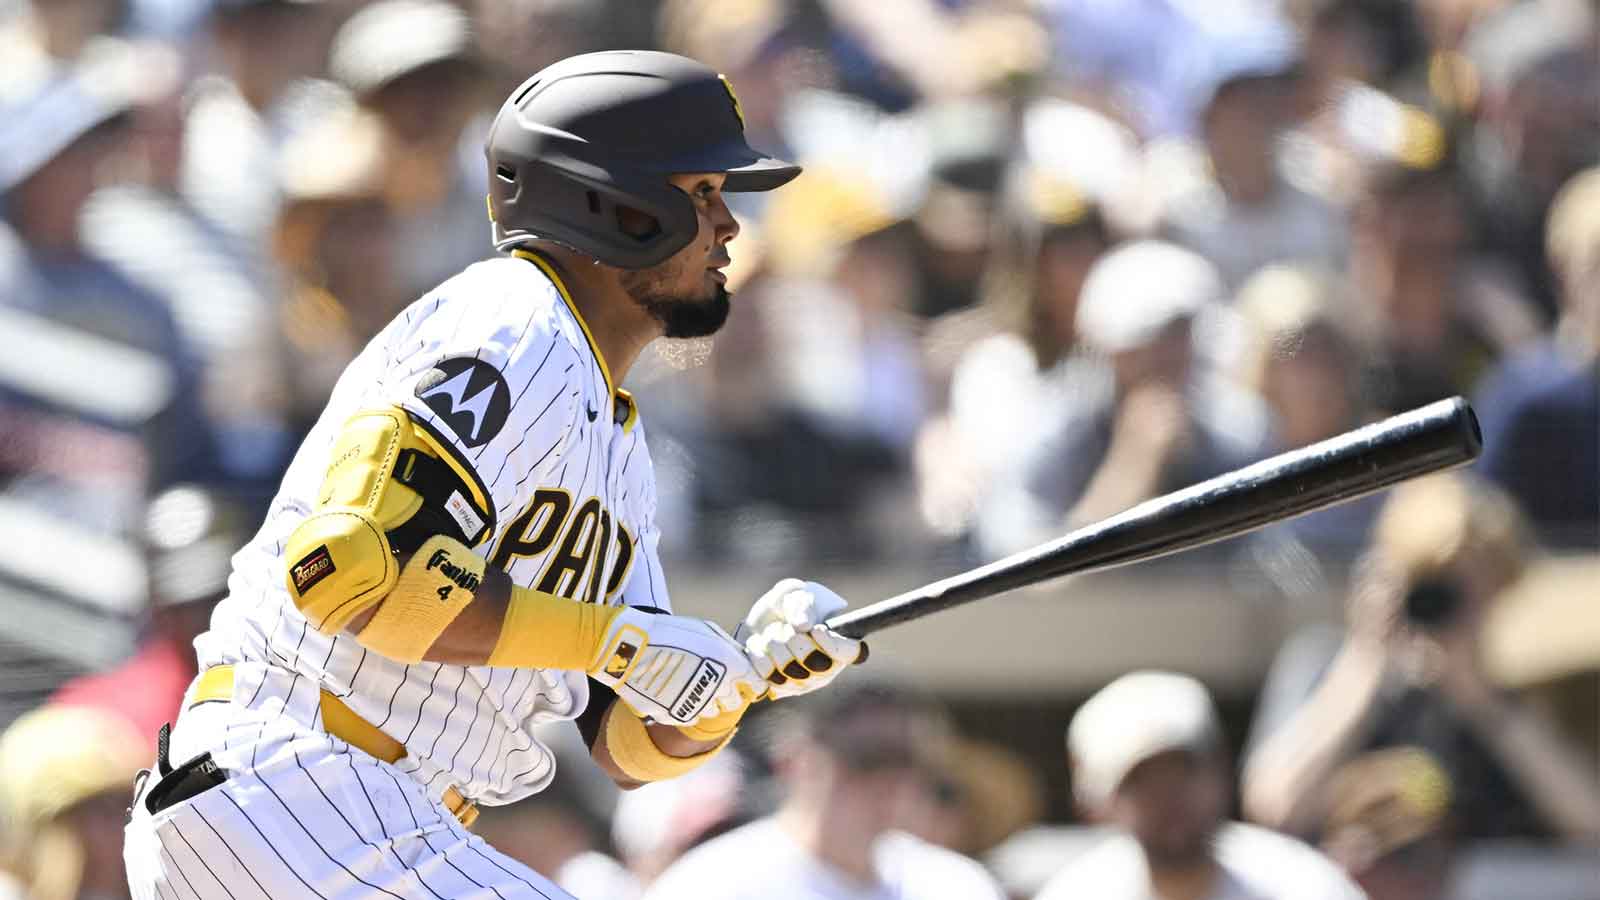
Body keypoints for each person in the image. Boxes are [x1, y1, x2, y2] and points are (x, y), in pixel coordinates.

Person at [122, 50, 868, 898]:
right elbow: (347, 570)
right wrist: (618, 642)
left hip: (353, 811)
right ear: (616, 206)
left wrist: (742, 675)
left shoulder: (616, 440)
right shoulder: (513, 326)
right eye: (701, 194)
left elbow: (625, 743)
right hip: (304, 781)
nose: (730, 227)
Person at [1242, 473, 1600, 843]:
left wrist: (1490, 706)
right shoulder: (1326, 663)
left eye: (1473, 591)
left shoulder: (1533, 683)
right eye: (1433, 586)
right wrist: (1365, 667)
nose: (1453, 611)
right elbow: (1276, 808)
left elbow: (1592, 823)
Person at [643, 682, 1009, 900]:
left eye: (905, 758)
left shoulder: (949, 883)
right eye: (866, 758)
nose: (889, 780)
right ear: (795, 760)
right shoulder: (717, 884)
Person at [1035, 670, 1364, 900]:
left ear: (1220, 769)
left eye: (1183, 771)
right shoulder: (1075, 894)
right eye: (1141, 782)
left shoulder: (1305, 887)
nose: (1169, 798)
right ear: (1095, 805)